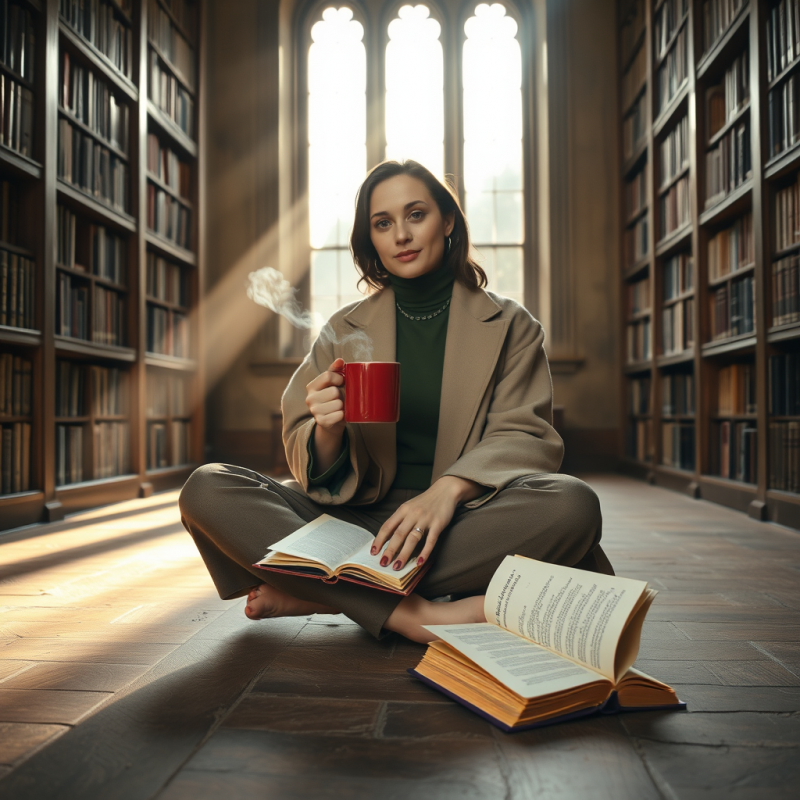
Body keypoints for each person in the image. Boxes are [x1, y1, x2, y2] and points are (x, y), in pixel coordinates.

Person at [179, 159, 613, 644]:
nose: (401, 235)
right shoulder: (342, 330)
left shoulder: (513, 326)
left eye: (415, 215)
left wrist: (445, 493)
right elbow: (305, 453)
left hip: (460, 522)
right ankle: (412, 614)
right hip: (351, 518)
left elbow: (526, 436)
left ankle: (325, 591)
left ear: (447, 221)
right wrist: (327, 430)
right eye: (382, 223)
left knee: (573, 505)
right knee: (207, 487)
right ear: (372, 240)